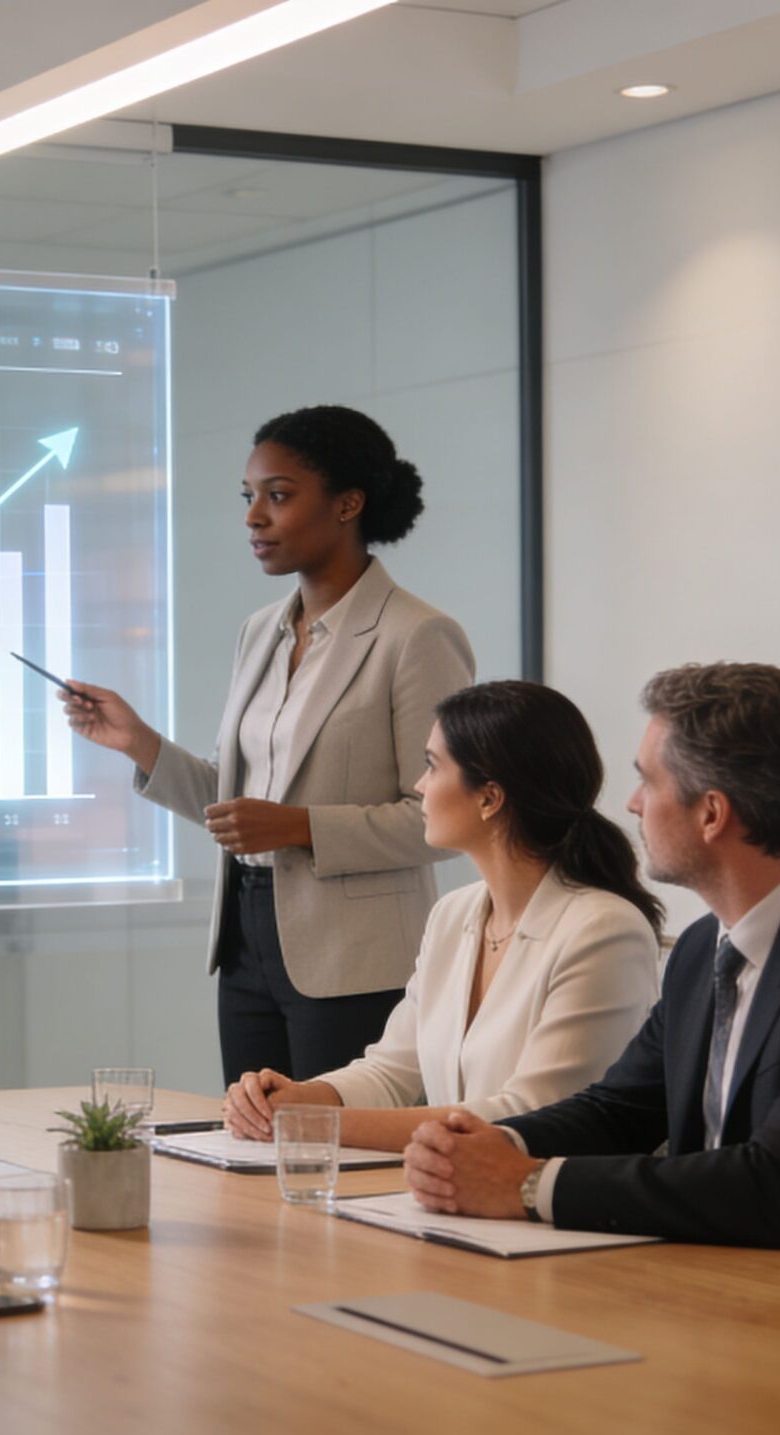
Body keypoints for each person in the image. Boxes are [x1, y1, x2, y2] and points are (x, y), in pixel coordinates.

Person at [401, 663, 780, 1283]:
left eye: (647, 781)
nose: (632, 803)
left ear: (712, 813)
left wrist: (529, 1185)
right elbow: (619, 1111)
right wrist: (489, 1144)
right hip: (732, 1283)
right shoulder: (701, 948)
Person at [64, 405, 476, 1082]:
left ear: (349, 505)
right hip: (247, 942)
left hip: (355, 957)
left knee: (337, 1159)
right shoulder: (261, 631)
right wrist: (139, 744)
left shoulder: (417, 636)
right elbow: (238, 810)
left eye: (278, 496)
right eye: (249, 497)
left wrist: (300, 827)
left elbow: (434, 821)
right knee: (252, 1144)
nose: (254, 516)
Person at [221, 681, 661, 1154]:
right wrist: (298, 1097)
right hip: (462, 1197)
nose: (419, 785)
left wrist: (311, 1124)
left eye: (432, 766)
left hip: (564, 1210)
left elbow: (531, 1114)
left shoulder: (604, 930)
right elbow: (391, 1070)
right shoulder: (454, 914)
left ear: (489, 797)